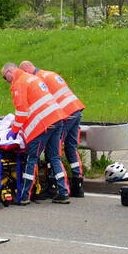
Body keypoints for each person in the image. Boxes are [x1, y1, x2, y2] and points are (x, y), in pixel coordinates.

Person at [2, 62, 70, 205]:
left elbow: (22, 112)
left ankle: (25, 195)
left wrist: (14, 131)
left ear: (9, 72)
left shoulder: (19, 83)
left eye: (4, 78)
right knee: (54, 157)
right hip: (57, 119)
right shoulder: (32, 78)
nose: (7, 81)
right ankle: (63, 192)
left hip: (42, 125)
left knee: (31, 159)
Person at [20, 60, 86, 197]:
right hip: (75, 109)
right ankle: (78, 184)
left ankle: (55, 186)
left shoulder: (37, 79)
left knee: (54, 150)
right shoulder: (49, 73)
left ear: (26, 71)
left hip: (65, 115)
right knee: (71, 148)